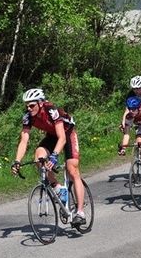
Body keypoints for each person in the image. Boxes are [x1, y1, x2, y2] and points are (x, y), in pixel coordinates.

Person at [10, 88, 86, 225]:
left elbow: (62, 137)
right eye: (26, 105)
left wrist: (54, 156)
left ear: (40, 103)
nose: (28, 108)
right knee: (39, 158)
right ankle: (58, 188)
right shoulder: (28, 117)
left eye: (31, 105)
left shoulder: (51, 110)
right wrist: (17, 161)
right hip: (51, 136)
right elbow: (24, 141)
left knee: (72, 169)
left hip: (67, 134)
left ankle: (80, 212)